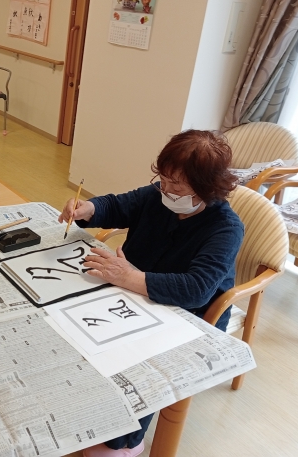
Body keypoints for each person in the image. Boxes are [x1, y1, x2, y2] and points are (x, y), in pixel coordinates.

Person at [58, 129, 244, 457]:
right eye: (164, 179)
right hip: (133, 294)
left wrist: (130, 277)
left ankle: (125, 442)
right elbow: (118, 205)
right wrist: (88, 209)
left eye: (178, 185)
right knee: (69, 327)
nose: (166, 190)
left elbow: (197, 289)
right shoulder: (157, 196)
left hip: (188, 315)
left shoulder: (225, 228)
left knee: (140, 366)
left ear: (206, 187)